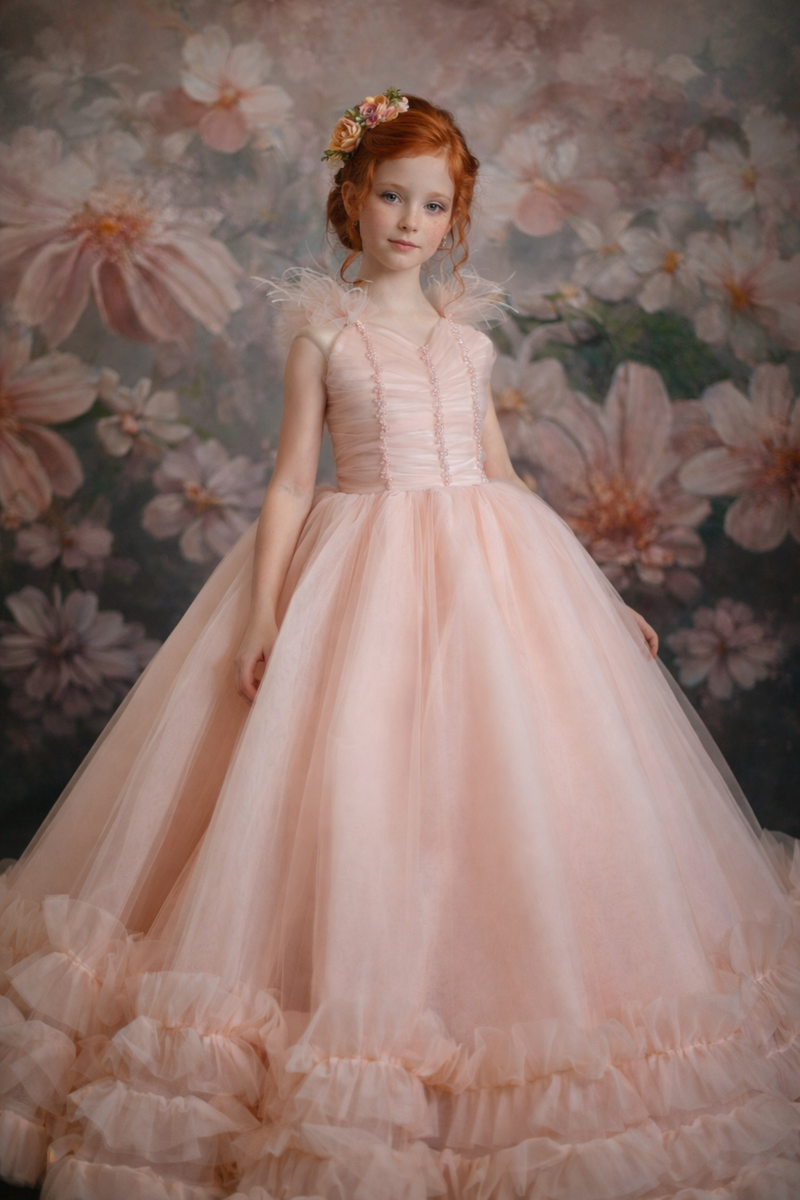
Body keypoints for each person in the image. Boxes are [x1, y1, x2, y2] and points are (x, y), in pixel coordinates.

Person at [0, 92, 798, 1200]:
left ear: (454, 216)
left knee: (505, 788)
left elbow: (504, 475)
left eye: (433, 203)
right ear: (351, 198)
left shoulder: (467, 341)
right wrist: (265, 611)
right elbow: (290, 482)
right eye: (390, 196)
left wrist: (591, 595)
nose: (409, 221)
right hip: (358, 566)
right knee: (350, 793)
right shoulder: (322, 333)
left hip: (490, 569)